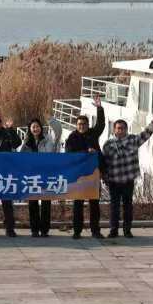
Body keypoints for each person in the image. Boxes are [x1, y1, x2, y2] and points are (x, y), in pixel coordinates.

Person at [102, 114, 153, 238]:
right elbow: (104, 162)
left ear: (126, 129)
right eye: (118, 128)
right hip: (114, 180)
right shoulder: (108, 144)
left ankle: (127, 230)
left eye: (122, 128)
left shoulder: (133, 140)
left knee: (128, 207)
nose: (120, 130)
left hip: (128, 179)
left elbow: (145, 135)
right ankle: (113, 230)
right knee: (114, 207)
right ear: (114, 129)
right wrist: (104, 177)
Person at [65, 95, 105, 239]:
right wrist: (86, 152)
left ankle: (95, 230)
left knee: (94, 204)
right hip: (79, 176)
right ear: (76, 125)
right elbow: (69, 154)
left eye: (84, 124)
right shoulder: (72, 137)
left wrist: (100, 108)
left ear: (88, 125)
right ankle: (77, 231)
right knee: (78, 204)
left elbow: (101, 124)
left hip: (93, 174)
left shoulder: (93, 134)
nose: (81, 126)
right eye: (79, 124)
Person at [17, 117, 63, 237]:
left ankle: (44, 230)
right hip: (32, 176)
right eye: (33, 127)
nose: (35, 129)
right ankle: (34, 229)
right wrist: (24, 144)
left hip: (46, 175)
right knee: (32, 203)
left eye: (37, 126)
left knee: (46, 203)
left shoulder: (48, 140)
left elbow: (58, 133)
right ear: (30, 129)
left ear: (41, 128)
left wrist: (51, 121)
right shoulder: (27, 142)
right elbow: (19, 157)